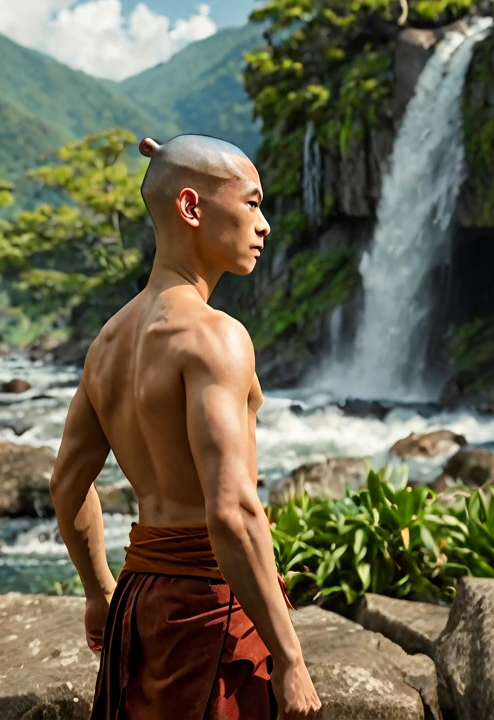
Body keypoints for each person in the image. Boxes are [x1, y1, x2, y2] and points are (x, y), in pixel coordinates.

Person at [49, 133, 322, 720]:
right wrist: (290, 658)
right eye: (251, 204)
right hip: (212, 606)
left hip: (140, 602)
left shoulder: (107, 344)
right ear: (192, 207)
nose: (265, 224)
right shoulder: (215, 336)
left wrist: (99, 592)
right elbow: (231, 512)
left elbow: (67, 486)